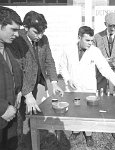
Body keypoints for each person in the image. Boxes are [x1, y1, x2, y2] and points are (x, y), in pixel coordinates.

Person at [59, 26, 115, 147]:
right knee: (74, 110)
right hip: (72, 88)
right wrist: (68, 79)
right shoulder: (67, 49)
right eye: (87, 40)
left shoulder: (95, 51)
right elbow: (62, 67)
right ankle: (76, 131)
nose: (90, 43)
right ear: (79, 37)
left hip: (88, 88)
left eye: (91, 40)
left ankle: (88, 134)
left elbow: (105, 69)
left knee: (88, 112)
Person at [10, 11, 64, 149]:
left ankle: (28, 141)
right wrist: (26, 94)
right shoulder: (16, 39)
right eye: (36, 32)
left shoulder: (44, 39)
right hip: (17, 87)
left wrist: (54, 82)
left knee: (29, 115)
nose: (40, 36)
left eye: (42, 32)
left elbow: (49, 60)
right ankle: (18, 143)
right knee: (17, 118)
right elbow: (18, 69)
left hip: (33, 84)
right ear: (26, 28)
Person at [0, 6, 23, 150]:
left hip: (10, 122)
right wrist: (2, 108)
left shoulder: (9, 48)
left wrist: (18, 90)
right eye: (13, 29)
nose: (17, 34)